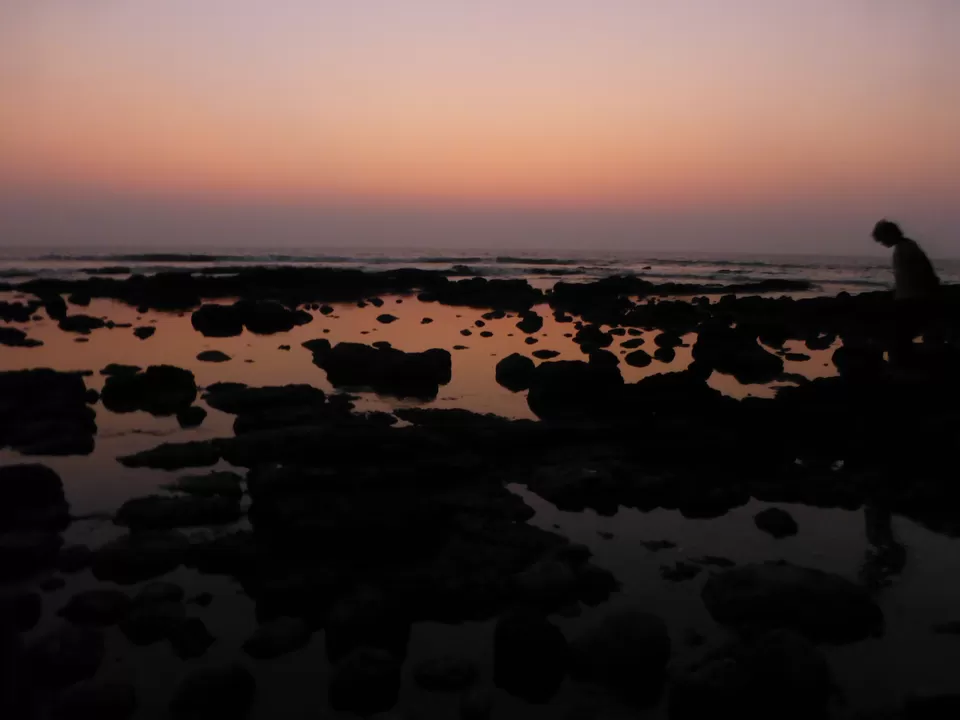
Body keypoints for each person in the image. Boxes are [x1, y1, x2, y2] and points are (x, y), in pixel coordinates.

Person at [871, 220, 941, 362]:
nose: (882, 243)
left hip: (911, 299)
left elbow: (924, 271)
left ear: (890, 234)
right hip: (908, 298)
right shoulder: (905, 247)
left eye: (882, 239)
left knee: (900, 336)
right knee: (901, 336)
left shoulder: (906, 248)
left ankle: (904, 363)